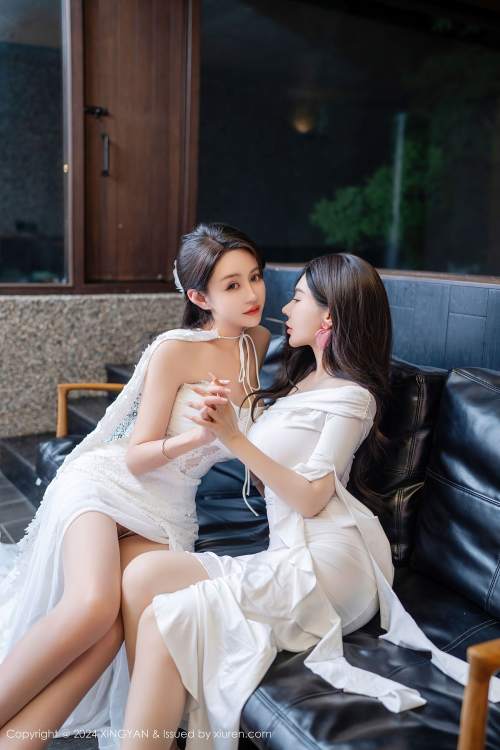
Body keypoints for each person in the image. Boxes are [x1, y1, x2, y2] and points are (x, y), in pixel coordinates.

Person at [116, 253, 500, 750]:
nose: (283, 309)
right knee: (142, 576)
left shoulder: (353, 397)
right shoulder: (303, 381)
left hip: (329, 564)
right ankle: (157, 724)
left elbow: (314, 498)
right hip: (288, 551)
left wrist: (235, 437)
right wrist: (222, 419)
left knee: (163, 620)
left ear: (328, 317)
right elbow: (270, 466)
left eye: (297, 298)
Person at [0, 222, 271, 749]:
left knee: (108, 638)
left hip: (168, 511)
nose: (252, 294)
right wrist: (199, 436)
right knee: (92, 605)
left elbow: (252, 446)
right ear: (200, 297)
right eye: (233, 284)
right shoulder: (176, 349)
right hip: (108, 487)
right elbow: (138, 455)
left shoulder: (258, 344)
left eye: (255, 277)